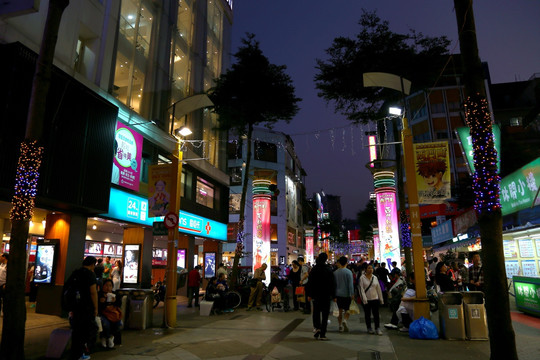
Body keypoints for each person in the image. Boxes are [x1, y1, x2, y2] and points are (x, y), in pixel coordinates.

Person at [67, 256, 98, 360]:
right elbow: (93, 293)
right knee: (86, 330)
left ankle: (75, 353)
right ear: (92, 264)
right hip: (86, 307)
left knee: (76, 331)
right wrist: (96, 308)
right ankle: (81, 353)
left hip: (75, 306)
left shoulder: (75, 272)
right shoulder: (90, 274)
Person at [306, 253, 335, 341]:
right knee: (325, 315)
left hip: (316, 295)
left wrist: (309, 294)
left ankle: (317, 328)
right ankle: (323, 334)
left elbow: (310, 283)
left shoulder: (314, 269)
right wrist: (333, 295)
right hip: (326, 295)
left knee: (316, 312)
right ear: (326, 259)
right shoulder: (329, 270)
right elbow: (332, 284)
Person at [358, 264, 384, 335]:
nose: (370, 270)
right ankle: (369, 327)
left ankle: (377, 328)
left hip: (375, 299)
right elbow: (361, 290)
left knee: (376, 314)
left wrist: (381, 299)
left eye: (371, 268)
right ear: (365, 269)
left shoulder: (375, 277)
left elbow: (378, 288)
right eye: (369, 268)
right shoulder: (362, 278)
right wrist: (364, 299)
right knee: (367, 314)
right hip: (366, 300)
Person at [98, 279, 123, 348]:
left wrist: (115, 301)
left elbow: (119, 304)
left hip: (113, 314)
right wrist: (101, 302)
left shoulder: (115, 295)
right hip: (103, 314)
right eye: (106, 285)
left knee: (119, 323)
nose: (108, 287)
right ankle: (106, 337)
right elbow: (97, 308)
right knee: (106, 324)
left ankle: (110, 336)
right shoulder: (99, 295)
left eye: (110, 286)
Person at [333, 256, 354, 333]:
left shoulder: (335, 273)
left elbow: (333, 285)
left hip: (337, 295)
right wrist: (352, 294)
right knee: (347, 310)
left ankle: (340, 326)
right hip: (346, 294)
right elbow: (350, 285)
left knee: (339, 311)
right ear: (346, 263)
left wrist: (334, 295)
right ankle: (345, 320)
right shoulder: (349, 272)